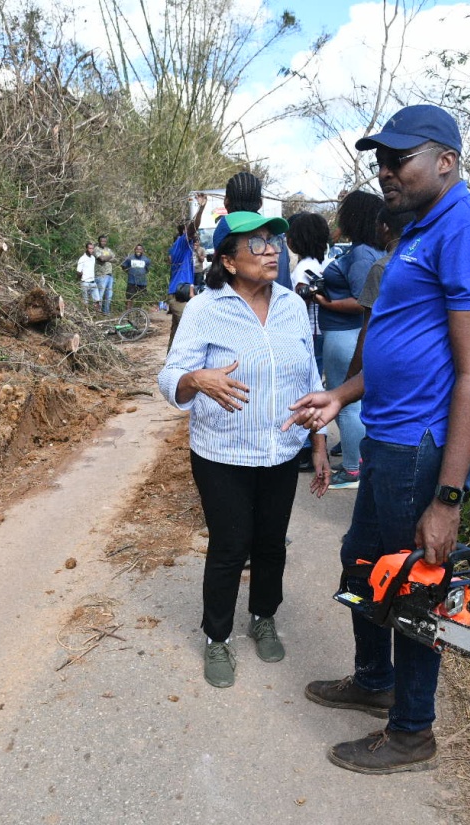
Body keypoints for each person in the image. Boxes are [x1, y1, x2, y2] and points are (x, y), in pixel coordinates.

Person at [283, 104, 470, 774]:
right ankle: (374, 682)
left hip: (424, 447)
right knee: (362, 561)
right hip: (389, 432)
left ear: (446, 161)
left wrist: (448, 498)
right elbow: (397, 338)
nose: (386, 172)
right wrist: (340, 395)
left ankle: (412, 729)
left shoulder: (466, 225)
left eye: (399, 159)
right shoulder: (415, 230)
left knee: (409, 587)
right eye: (380, 161)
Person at [158, 211, 330, 689]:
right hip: (222, 452)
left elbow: (310, 378)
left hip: (282, 447)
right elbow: (170, 377)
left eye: (273, 240)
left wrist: (317, 442)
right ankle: (217, 637)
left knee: (271, 542)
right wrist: (197, 379)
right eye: (255, 244)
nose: (271, 249)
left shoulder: (293, 306)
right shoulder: (205, 308)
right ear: (229, 261)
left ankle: (263, 616)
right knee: (231, 545)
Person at [308, 191, 384, 490]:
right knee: (350, 402)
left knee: (347, 404)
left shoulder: (363, 253)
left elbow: (362, 301)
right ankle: (355, 462)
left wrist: (325, 303)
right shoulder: (362, 249)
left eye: (344, 212)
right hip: (344, 334)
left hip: (346, 333)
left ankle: (353, 470)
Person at [346, 206, 414, 380]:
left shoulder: (382, 267)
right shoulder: (423, 259)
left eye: (376, 225)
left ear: (384, 227)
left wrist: (350, 376)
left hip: (390, 360)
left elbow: (369, 328)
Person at [286, 212, 330, 471]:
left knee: (307, 391)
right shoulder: (316, 263)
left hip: (310, 334)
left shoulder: (304, 269)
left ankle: (306, 448)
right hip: (319, 331)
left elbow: (301, 301)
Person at [167, 193, 207, 352]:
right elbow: (193, 227)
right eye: (190, 230)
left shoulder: (183, 247)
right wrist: (201, 207)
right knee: (190, 329)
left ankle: (170, 365)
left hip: (182, 293)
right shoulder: (182, 243)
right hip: (178, 296)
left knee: (176, 333)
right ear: (184, 231)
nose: (195, 234)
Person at [121, 244, 151, 309]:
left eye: (140, 249)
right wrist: (129, 272)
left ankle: (140, 312)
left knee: (142, 298)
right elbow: (123, 266)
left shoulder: (146, 259)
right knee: (130, 297)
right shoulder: (130, 258)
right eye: (137, 249)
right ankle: (128, 313)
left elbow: (147, 269)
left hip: (142, 282)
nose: (138, 251)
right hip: (132, 281)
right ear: (135, 250)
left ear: (142, 250)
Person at [93, 235, 116, 315]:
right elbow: (101, 259)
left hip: (109, 275)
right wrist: (109, 257)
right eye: (102, 241)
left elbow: (115, 259)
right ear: (99, 241)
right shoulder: (96, 249)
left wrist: (106, 257)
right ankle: (97, 313)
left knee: (109, 295)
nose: (103, 242)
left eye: (104, 241)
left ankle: (106, 312)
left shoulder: (108, 249)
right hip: (101, 275)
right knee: (100, 295)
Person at [76, 242, 99, 309]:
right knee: (85, 301)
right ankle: (86, 314)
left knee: (97, 300)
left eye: (92, 248)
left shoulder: (93, 258)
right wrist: (81, 279)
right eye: (90, 248)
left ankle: (96, 314)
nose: (91, 250)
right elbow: (78, 271)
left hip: (93, 282)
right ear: (86, 249)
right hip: (85, 282)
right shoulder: (82, 258)